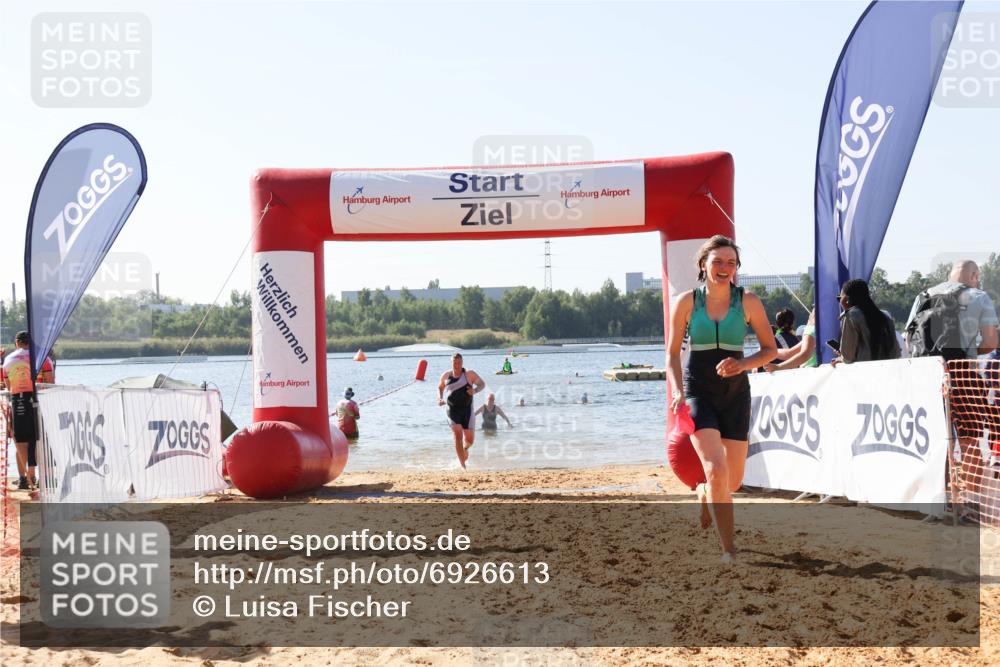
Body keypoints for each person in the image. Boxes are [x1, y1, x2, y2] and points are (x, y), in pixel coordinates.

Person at [666, 235, 777, 563]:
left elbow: (769, 350)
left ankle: (704, 492)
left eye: (731, 262)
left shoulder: (749, 302)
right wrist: (678, 391)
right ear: (704, 265)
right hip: (698, 389)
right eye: (717, 262)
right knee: (715, 467)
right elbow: (672, 354)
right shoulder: (688, 302)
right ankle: (729, 549)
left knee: (734, 479)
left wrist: (742, 364)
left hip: (735, 392)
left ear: (737, 268)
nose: (724, 268)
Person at [905, 260, 998, 360]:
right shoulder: (980, 297)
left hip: (924, 369)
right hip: (959, 369)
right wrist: (973, 352)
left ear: (950, 275)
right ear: (974, 275)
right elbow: (990, 343)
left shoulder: (923, 296)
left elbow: (908, 338)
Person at [1, 332, 55, 490]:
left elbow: (9, 387)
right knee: (39, 440)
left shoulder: (8, 360)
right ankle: (41, 478)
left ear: (17, 342)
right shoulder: (43, 358)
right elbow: (50, 382)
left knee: (21, 441)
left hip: (17, 402)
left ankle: (23, 479)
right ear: (31, 343)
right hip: (38, 401)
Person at [834, 279, 900, 364]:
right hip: (888, 371)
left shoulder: (851, 317)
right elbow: (897, 352)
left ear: (846, 300)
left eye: (839, 298)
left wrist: (840, 358)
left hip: (864, 372)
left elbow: (847, 356)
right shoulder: (886, 318)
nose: (839, 302)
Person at [438, 353, 486, 469]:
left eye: (459, 363)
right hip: (452, 410)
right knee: (457, 434)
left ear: (462, 362)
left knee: (469, 440)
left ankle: (464, 449)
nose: (457, 365)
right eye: (455, 363)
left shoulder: (469, 374)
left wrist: (474, 391)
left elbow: (482, 384)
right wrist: (440, 398)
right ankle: (463, 466)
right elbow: (440, 387)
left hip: (467, 411)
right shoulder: (446, 376)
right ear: (451, 363)